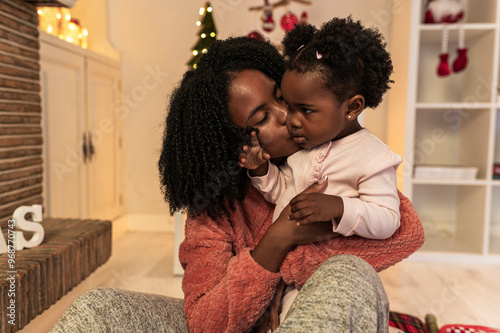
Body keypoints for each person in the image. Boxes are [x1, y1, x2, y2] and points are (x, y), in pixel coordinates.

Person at [50, 32, 424, 333]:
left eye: (284, 99)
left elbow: (404, 231)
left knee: (349, 275)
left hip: (314, 308)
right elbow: (205, 323)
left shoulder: (336, 152)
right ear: (232, 142)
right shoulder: (213, 209)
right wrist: (278, 239)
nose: (287, 118)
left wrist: (279, 282)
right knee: (96, 310)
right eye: (262, 118)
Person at [240, 16, 402, 241]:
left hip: (334, 265)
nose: (292, 120)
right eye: (289, 105)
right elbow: (283, 195)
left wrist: (338, 207)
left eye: (305, 110)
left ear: (352, 107)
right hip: (288, 261)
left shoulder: (374, 158)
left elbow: (388, 219)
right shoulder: (305, 149)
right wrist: (260, 170)